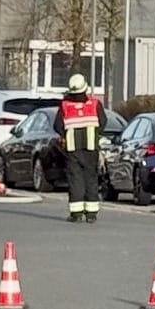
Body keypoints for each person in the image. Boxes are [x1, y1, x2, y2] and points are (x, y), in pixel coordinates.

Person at [58, 75, 103, 223]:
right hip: (91, 148)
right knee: (91, 178)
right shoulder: (95, 104)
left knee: (75, 179)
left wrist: (64, 135)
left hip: (73, 149)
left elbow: (57, 125)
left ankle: (76, 214)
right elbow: (103, 122)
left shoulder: (65, 105)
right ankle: (91, 214)